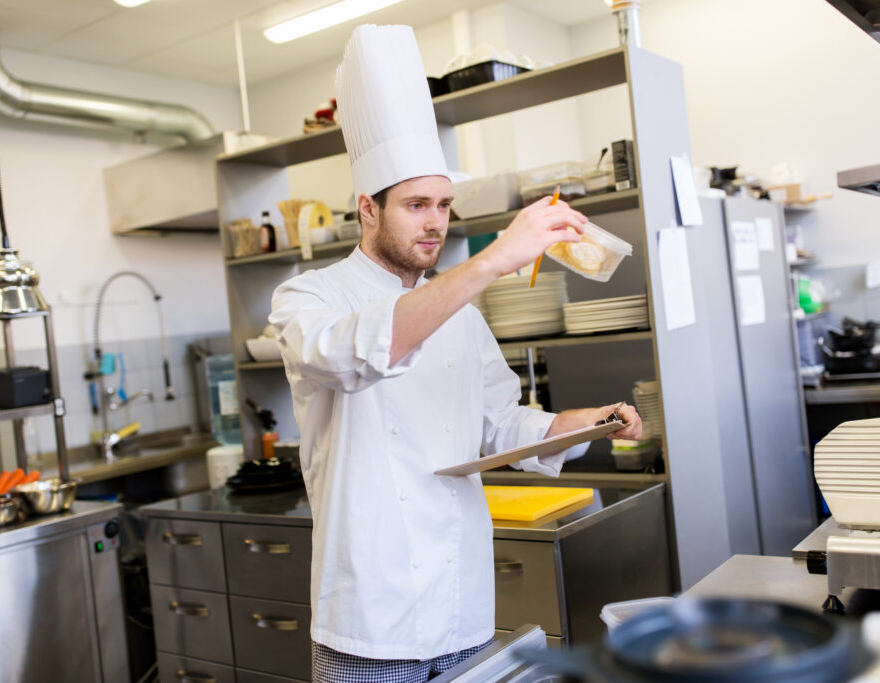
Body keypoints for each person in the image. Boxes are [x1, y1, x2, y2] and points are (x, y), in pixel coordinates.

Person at [268, 24, 642, 683]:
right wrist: (496, 258)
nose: (436, 222)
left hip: (461, 605)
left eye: (442, 204)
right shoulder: (307, 298)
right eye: (415, 205)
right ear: (367, 208)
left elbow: (502, 423)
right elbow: (360, 350)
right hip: (368, 622)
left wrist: (583, 423)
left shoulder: (461, 316)